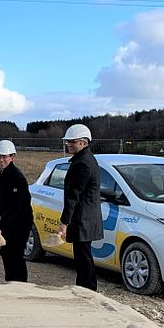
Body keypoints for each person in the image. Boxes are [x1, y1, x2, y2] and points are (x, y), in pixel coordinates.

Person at [59, 124, 103, 291]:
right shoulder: (87, 159)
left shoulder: (82, 163)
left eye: (73, 142)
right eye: (68, 141)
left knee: (83, 258)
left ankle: (86, 291)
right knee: (84, 256)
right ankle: (88, 289)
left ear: (84, 143)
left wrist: (64, 222)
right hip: (86, 218)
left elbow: (73, 196)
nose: (69, 144)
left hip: (82, 219)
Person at [0, 140, 33, 282]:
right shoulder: (1, 173)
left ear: (12, 157)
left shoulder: (16, 177)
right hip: (9, 219)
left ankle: (20, 285)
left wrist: (1, 227)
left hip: (21, 221)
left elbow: (16, 207)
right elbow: (4, 199)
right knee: (6, 252)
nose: (1, 159)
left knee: (15, 254)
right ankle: (10, 281)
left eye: (5, 156)